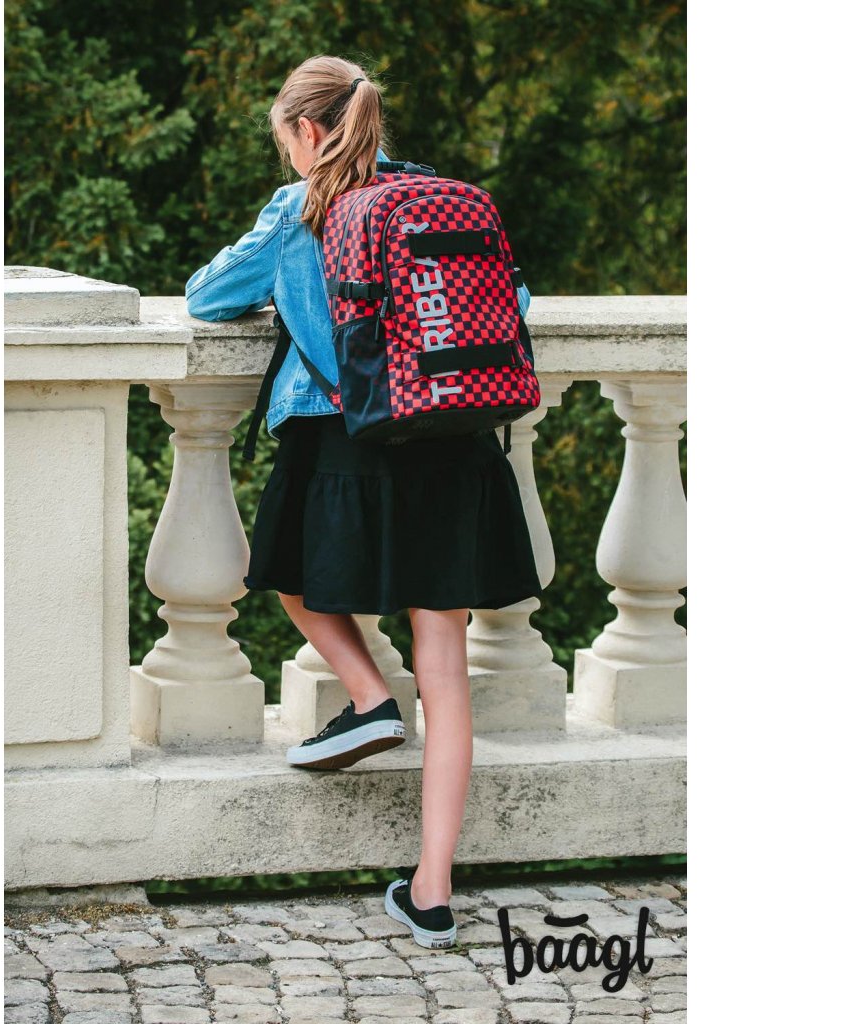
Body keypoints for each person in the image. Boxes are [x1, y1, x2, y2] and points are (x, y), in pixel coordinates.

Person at [185, 55, 542, 950]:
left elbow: (207, 297)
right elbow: (517, 299)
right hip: (454, 441)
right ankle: (433, 891)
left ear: (307, 130)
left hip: (344, 442)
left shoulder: (297, 210)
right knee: (447, 673)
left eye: (285, 139)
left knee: (285, 574)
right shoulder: (436, 198)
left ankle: (369, 697)